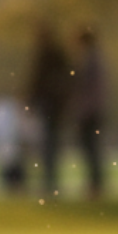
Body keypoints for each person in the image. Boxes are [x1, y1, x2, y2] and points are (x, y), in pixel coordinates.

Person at [27, 22, 70, 198]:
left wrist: (31, 99)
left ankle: (50, 182)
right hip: (54, 105)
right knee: (50, 145)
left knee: (48, 145)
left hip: (50, 105)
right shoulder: (57, 55)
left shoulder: (47, 55)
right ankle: (50, 181)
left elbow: (38, 79)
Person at [73, 26, 108, 199]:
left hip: (90, 112)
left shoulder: (91, 60)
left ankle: (95, 186)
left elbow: (88, 89)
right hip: (94, 110)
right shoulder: (93, 58)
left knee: (91, 148)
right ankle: (95, 184)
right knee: (91, 148)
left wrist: (83, 111)